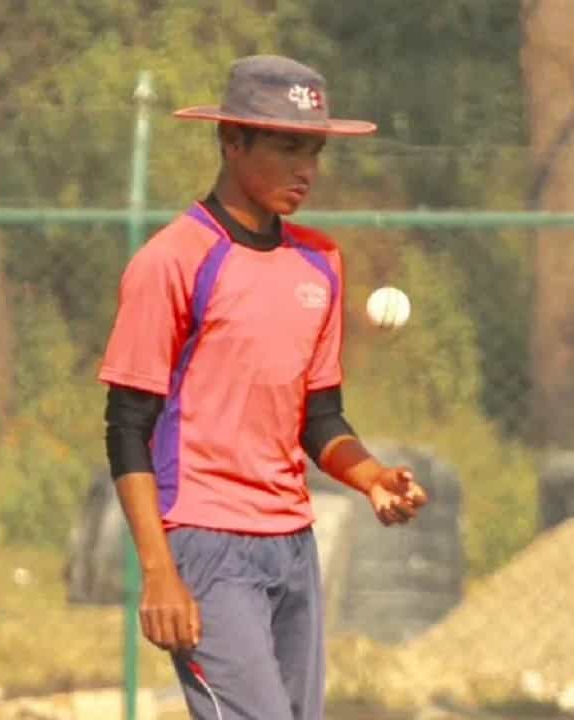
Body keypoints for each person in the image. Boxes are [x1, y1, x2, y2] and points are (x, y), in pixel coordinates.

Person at [98, 54, 429, 720]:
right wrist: (159, 570)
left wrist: (370, 478)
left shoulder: (319, 261)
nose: (306, 169)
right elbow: (127, 426)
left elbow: (319, 415)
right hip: (204, 543)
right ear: (232, 140)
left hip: (293, 546)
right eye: (286, 148)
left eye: (314, 151)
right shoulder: (174, 260)